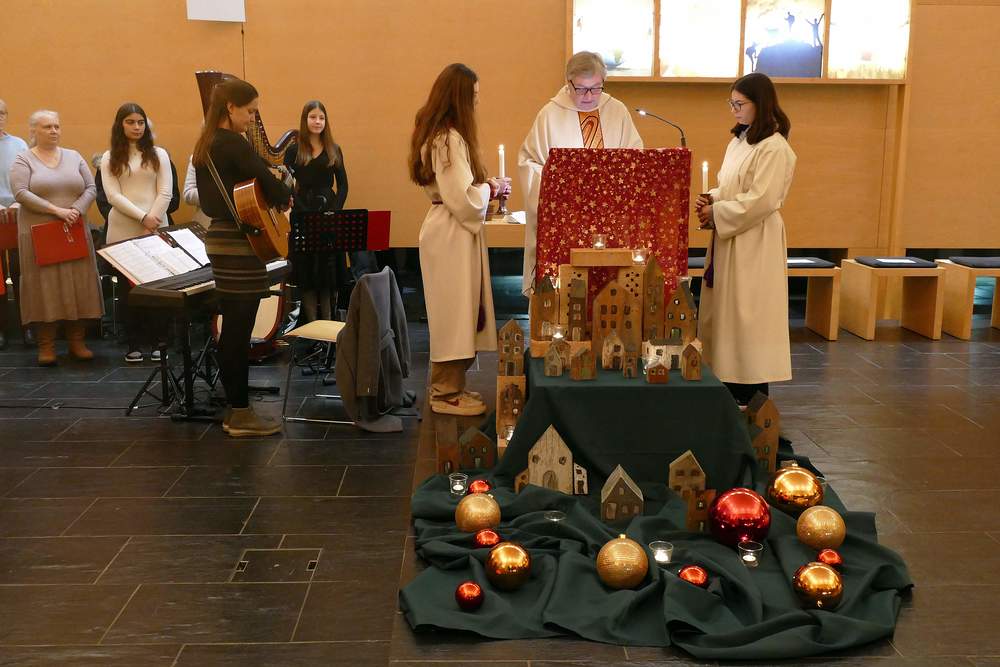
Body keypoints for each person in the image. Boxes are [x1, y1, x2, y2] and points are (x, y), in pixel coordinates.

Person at [408, 63, 509, 416]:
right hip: (450, 232)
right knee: (453, 313)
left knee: (461, 310)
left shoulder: (442, 134)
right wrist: (490, 187)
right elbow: (463, 198)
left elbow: (461, 192)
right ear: (459, 98)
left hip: (452, 230)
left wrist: (486, 187)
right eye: (474, 96)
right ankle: (444, 392)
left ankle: (453, 386)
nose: (477, 103)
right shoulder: (447, 139)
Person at [193, 78, 291, 437]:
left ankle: (236, 406)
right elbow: (273, 186)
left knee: (233, 328)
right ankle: (238, 413)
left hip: (221, 237)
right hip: (239, 244)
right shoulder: (233, 143)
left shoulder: (205, 145)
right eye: (250, 111)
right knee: (238, 330)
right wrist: (284, 185)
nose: (252, 119)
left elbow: (212, 200)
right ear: (230, 108)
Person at [695, 73, 796, 405]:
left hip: (755, 241)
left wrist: (717, 212)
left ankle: (751, 398)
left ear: (760, 103)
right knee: (726, 319)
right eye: (731, 103)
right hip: (731, 238)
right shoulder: (739, 142)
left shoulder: (774, 147)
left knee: (747, 321)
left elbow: (761, 200)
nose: (734, 110)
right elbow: (731, 188)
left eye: (739, 104)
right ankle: (724, 391)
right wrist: (711, 198)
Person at [518, 51, 643, 293]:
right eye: (582, 89)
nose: (589, 96)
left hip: (611, 216)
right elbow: (530, 162)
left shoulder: (617, 111)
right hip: (566, 218)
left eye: (596, 88)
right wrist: (558, 186)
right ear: (568, 83)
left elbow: (635, 159)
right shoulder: (550, 114)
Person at [9, 110, 103, 366]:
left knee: (78, 283)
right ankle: (46, 345)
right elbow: (20, 192)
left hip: (73, 229)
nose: (53, 131)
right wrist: (56, 211)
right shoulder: (23, 159)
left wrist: (76, 210)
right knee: (45, 286)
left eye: (56, 126)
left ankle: (77, 341)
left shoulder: (74, 156)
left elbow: (91, 187)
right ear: (34, 131)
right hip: (39, 233)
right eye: (47, 126)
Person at [100, 102, 173, 362]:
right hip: (123, 229)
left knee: (158, 288)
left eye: (140, 122)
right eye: (130, 122)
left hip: (155, 227)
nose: (136, 127)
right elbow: (113, 196)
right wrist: (143, 217)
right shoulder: (109, 157)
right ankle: (133, 344)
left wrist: (151, 220)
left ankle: (159, 342)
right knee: (126, 290)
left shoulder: (159, 154)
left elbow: (166, 192)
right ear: (120, 125)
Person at [283, 100, 348, 322]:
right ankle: (312, 324)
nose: (317, 121)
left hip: (328, 213)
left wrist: (334, 211)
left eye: (321, 118)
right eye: (313, 117)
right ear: (305, 120)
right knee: (307, 274)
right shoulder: (293, 151)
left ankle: (328, 324)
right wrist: (303, 211)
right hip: (303, 213)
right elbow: (287, 186)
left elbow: (343, 185)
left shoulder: (334, 150)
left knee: (328, 274)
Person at [0, 98, 29, 350]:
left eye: (2, 113)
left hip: (18, 214)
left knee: (22, 273)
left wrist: (20, 202)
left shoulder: (19, 144)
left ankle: (26, 327)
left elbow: (28, 178)